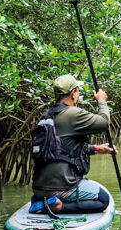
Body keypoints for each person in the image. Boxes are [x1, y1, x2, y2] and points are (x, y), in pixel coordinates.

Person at [30, 74, 116, 214]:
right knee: (103, 200)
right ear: (73, 93)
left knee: (83, 180)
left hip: (39, 188)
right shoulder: (73, 114)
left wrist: (95, 149)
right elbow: (104, 123)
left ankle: (41, 200)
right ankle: (58, 206)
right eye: (78, 90)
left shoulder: (46, 115)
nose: (79, 93)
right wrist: (101, 101)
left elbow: (59, 149)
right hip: (61, 188)